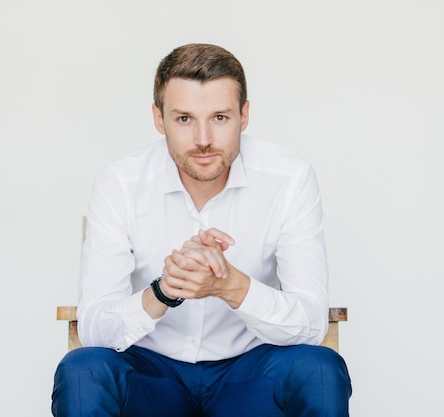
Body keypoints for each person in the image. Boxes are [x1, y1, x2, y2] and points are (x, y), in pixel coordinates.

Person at [52, 43, 351, 417]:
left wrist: (231, 287)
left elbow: (310, 322)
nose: (204, 139)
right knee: (82, 372)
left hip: (249, 375)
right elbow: (94, 327)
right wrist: (165, 290)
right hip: (152, 375)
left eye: (220, 117)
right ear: (159, 119)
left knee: (319, 371)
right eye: (184, 119)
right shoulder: (120, 182)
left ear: (244, 115)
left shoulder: (289, 178)